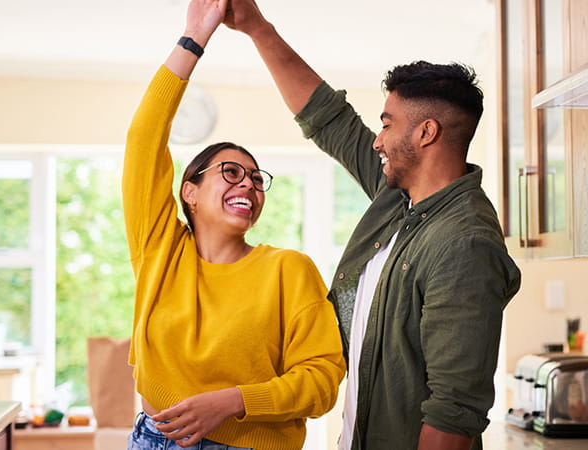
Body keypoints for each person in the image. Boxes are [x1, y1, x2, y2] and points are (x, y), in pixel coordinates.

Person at [222, 1, 522, 449]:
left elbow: (453, 413)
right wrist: (256, 27)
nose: (377, 140)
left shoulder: (465, 244)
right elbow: (329, 120)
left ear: (426, 133)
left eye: (387, 124)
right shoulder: (398, 200)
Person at [122, 1, 346, 449]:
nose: (248, 182)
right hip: (156, 440)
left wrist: (234, 401)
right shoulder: (160, 250)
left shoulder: (288, 270)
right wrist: (194, 37)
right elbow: (144, 140)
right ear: (190, 191)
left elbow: (322, 380)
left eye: (256, 178)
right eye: (230, 171)